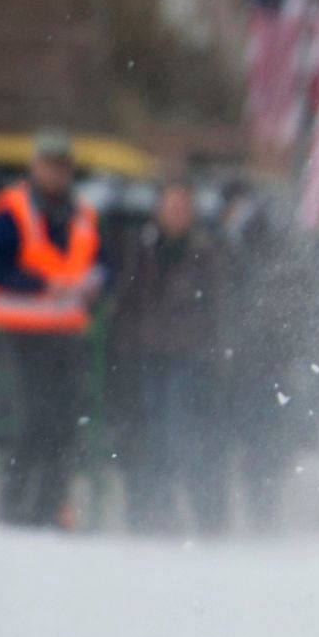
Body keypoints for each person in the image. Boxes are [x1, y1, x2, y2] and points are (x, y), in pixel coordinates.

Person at [0, 131, 103, 528]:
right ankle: (16, 506)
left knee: (66, 421)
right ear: (35, 167)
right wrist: (41, 285)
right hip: (22, 330)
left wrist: (96, 281)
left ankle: (52, 507)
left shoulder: (81, 213)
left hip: (67, 332)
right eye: (49, 165)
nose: (56, 173)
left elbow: (102, 261)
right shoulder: (12, 210)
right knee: (32, 420)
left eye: (62, 166)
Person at [110, 180, 228, 534]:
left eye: (182, 207)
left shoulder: (205, 252)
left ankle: (198, 514)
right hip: (148, 355)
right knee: (153, 437)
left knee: (180, 434)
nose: (176, 214)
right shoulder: (142, 249)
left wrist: (215, 352)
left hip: (188, 355)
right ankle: (158, 512)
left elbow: (219, 308)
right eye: (171, 206)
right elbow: (127, 300)